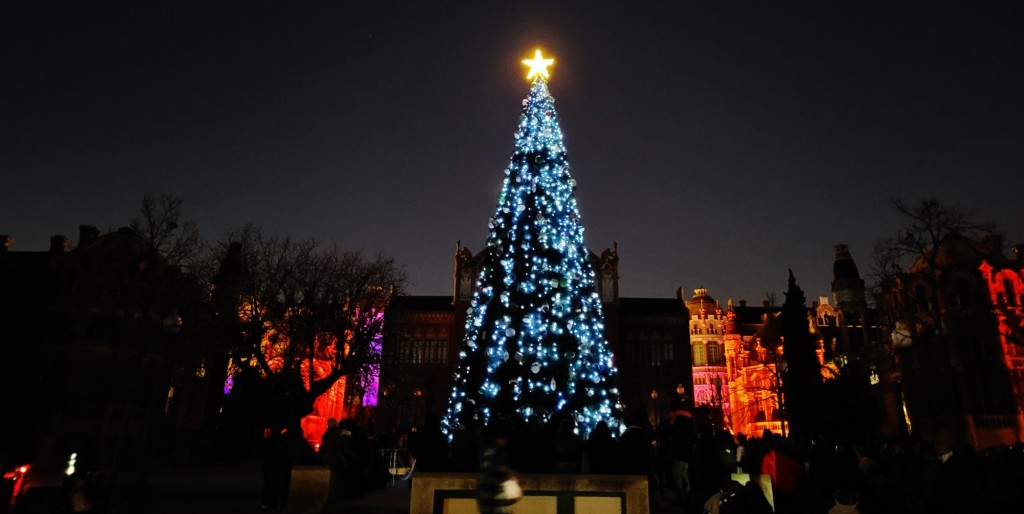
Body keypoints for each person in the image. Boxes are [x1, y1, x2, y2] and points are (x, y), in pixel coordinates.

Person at [477, 418, 517, 514]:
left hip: (485, 502)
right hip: (496, 503)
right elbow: (499, 477)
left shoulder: (486, 452)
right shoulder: (499, 454)